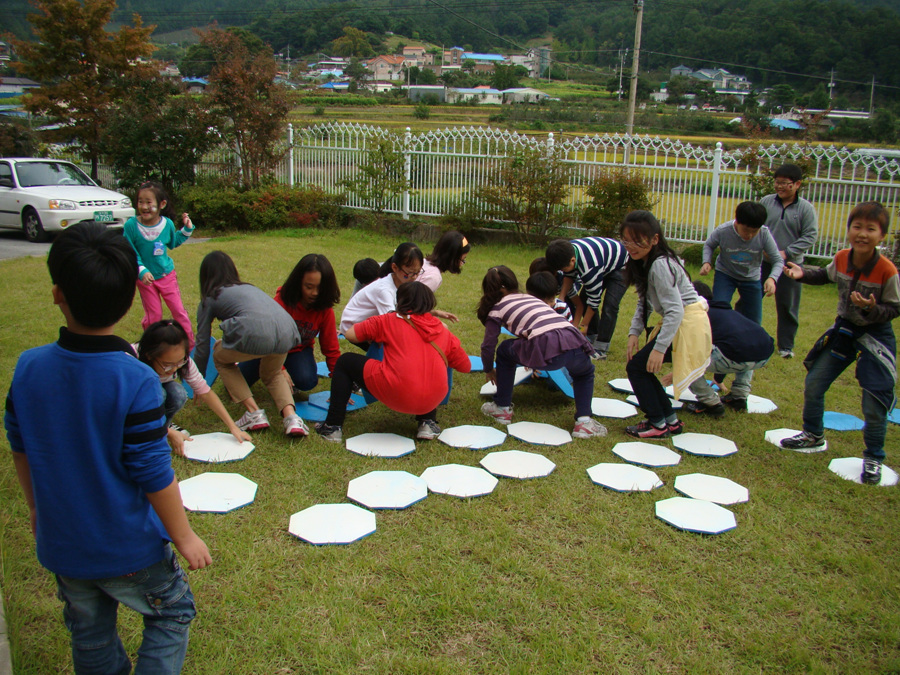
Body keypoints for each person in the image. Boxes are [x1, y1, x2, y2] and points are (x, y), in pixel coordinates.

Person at [5, 222, 211, 674]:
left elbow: (20, 446)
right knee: (173, 611)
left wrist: (37, 509)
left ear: (57, 292)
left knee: (90, 632)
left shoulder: (28, 367)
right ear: (128, 300)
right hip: (129, 548)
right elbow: (153, 469)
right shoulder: (134, 377)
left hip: (63, 543)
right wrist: (184, 535)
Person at [780, 202, 899, 484]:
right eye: (857, 227)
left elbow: (895, 308)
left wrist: (871, 309)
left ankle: (873, 458)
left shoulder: (887, 270)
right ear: (849, 230)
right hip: (844, 330)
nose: (862, 234)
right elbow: (827, 275)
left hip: (875, 335)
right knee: (815, 382)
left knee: (874, 400)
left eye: (870, 229)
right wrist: (803, 273)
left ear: (881, 235)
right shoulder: (843, 257)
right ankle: (813, 434)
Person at [315, 282, 471, 442]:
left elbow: (350, 335)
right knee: (432, 364)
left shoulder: (388, 320)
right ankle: (427, 423)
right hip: (433, 399)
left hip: (396, 393)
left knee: (345, 361)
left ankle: (332, 427)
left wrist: (379, 335)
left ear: (400, 301)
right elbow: (465, 366)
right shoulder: (442, 329)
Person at [477, 266, 607, 439]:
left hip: (547, 346)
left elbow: (488, 345)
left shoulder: (497, 308)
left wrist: (488, 368)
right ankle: (584, 422)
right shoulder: (532, 298)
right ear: (514, 283)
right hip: (573, 339)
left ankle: (502, 407)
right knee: (584, 373)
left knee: (503, 350)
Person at [194, 251, 307, 437]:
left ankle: (254, 413)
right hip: (288, 332)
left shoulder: (210, 298)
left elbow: (202, 342)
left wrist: (198, 380)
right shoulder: (249, 288)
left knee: (220, 356)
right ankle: (292, 418)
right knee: (273, 372)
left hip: (257, 334)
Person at [621, 211, 711, 439]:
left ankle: (657, 423)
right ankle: (669, 421)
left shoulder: (660, 265)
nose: (631, 246)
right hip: (682, 322)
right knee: (641, 368)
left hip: (686, 324)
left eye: (638, 240)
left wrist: (660, 349)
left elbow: (675, 310)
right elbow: (645, 301)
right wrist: (634, 333)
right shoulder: (644, 262)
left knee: (637, 368)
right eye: (627, 240)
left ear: (654, 239)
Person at [135, 319, 252, 455]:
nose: (174, 369)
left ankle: (163, 425)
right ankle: (156, 430)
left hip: (155, 391)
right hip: (134, 402)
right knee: (159, 394)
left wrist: (233, 427)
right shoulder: (133, 361)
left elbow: (206, 393)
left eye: (180, 362)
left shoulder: (185, 363)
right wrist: (168, 433)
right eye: (167, 364)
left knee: (178, 393)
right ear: (150, 356)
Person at [240, 254, 341, 393]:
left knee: (307, 381)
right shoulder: (283, 301)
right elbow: (268, 337)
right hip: (269, 350)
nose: (314, 293)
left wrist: (340, 385)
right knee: (236, 385)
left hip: (298, 351)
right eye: (309, 287)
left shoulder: (325, 310)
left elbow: (331, 349)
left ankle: (290, 374)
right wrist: (279, 369)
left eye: (320, 288)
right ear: (299, 282)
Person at [123, 180, 197, 349]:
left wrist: (186, 230)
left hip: (166, 275)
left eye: (149, 202)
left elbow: (173, 242)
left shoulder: (167, 224)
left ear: (161, 204)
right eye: (140, 202)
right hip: (145, 280)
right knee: (154, 315)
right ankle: (151, 345)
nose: (144, 206)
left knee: (178, 311)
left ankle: (190, 345)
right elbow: (130, 251)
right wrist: (142, 271)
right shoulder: (131, 226)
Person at [682, 282, 775, 416]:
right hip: (764, 353)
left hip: (735, 355)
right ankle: (739, 397)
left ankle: (710, 403)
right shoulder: (727, 311)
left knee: (685, 359)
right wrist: (718, 378)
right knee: (747, 347)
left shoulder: (699, 314)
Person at [759, 164, 819, 358]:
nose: (780, 186)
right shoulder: (766, 202)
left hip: (790, 266)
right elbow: (756, 226)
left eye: (785, 183)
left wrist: (788, 252)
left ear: (797, 184)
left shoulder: (805, 208)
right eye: (777, 182)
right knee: (749, 299)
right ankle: (741, 334)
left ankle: (786, 346)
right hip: (763, 263)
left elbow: (810, 235)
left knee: (787, 305)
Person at [700, 200, 783, 325]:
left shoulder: (764, 234)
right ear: (737, 222)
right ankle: (717, 340)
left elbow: (777, 260)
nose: (749, 235)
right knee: (719, 310)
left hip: (751, 278)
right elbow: (709, 245)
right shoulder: (724, 230)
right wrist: (707, 262)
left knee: (754, 319)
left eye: (754, 231)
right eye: (745, 230)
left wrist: (772, 278)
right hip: (725, 274)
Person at [545, 236, 629, 359]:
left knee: (610, 305)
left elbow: (594, 300)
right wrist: (561, 298)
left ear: (573, 260)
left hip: (621, 267)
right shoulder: (565, 251)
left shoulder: (589, 267)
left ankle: (601, 346)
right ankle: (593, 335)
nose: (562, 271)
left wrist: (583, 325)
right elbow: (569, 275)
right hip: (603, 262)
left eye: (563, 269)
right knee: (584, 298)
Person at [340, 242, 425, 348]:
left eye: (418, 272)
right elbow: (393, 323)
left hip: (368, 322)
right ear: (394, 267)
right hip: (352, 326)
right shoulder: (384, 290)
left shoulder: (402, 283)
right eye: (410, 273)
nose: (414, 277)